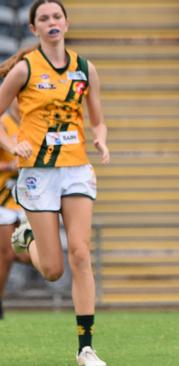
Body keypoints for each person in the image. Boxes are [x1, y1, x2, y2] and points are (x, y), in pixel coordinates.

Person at [0, 1, 110, 365]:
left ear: (66, 23)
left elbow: (97, 118)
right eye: (44, 18)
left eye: (56, 17)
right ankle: (27, 236)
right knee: (52, 270)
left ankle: (86, 348)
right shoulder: (24, 70)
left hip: (76, 169)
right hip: (38, 173)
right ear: (34, 29)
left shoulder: (85, 68)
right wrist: (10, 143)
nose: (52, 22)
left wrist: (101, 139)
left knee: (80, 252)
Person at [0, 100, 30, 320]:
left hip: (26, 197)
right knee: (7, 254)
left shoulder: (31, 124)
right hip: (3, 197)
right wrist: (9, 166)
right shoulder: (4, 123)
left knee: (22, 253)